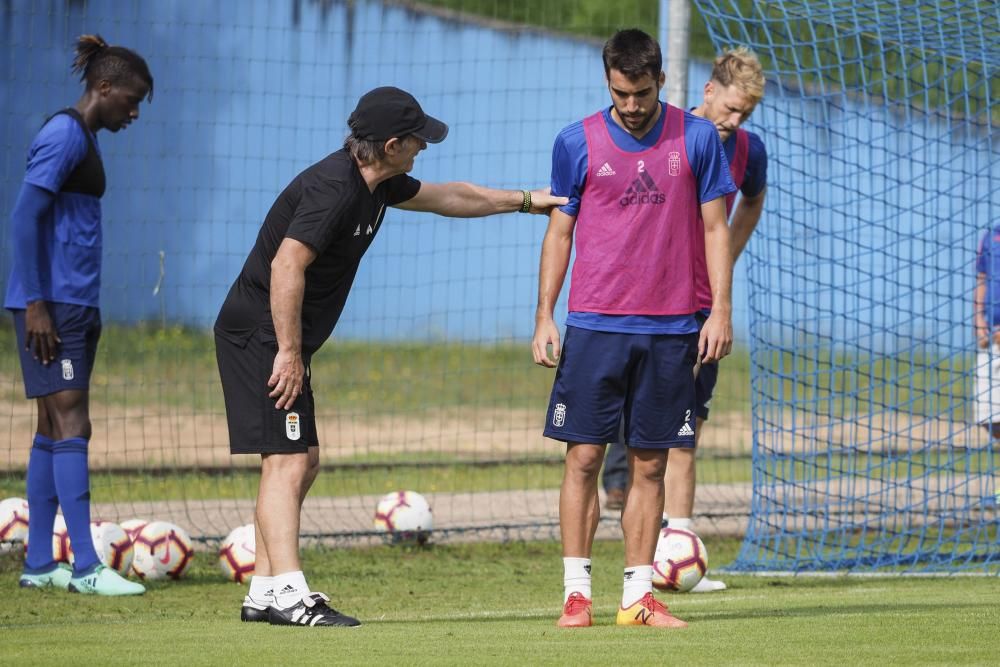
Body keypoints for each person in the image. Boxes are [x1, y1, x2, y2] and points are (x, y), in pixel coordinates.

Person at [215, 86, 567, 628]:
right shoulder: (334, 187)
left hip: (277, 336)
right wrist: (288, 351)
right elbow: (288, 266)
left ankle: (265, 590)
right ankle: (288, 592)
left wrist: (524, 200)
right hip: (261, 334)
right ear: (393, 143)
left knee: (301, 461)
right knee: (285, 461)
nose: (425, 146)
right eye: (419, 138)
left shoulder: (377, 184)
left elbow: (451, 197)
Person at [533, 29, 735, 629]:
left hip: (673, 327)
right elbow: (560, 231)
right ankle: (575, 594)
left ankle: (636, 597)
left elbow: (717, 230)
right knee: (584, 458)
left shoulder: (697, 138)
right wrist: (545, 313)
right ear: (608, 82)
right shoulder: (576, 141)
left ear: (661, 81)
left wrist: (719, 311)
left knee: (650, 465)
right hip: (594, 325)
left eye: (641, 93)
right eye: (621, 94)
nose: (631, 105)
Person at [602, 47, 768, 593]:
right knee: (632, 424)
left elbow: (750, 202)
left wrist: (727, 264)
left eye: (745, 114)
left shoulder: (747, 150)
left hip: (700, 307)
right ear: (708, 90)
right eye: (731, 108)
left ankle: (679, 547)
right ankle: (623, 513)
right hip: (644, 302)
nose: (735, 121)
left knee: (687, 426)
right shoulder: (668, 135)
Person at [6, 35, 153, 596]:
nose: (135, 112)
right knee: (73, 425)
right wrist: (38, 304)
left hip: (73, 302)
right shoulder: (64, 135)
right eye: (132, 99)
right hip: (54, 305)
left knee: (50, 428)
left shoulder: (83, 138)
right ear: (104, 87)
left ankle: (40, 564)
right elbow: (24, 218)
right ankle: (88, 567)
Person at [974, 224, 1000, 439]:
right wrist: (978, 321)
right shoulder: (990, 236)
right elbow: (981, 279)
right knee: (987, 417)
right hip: (990, 335)